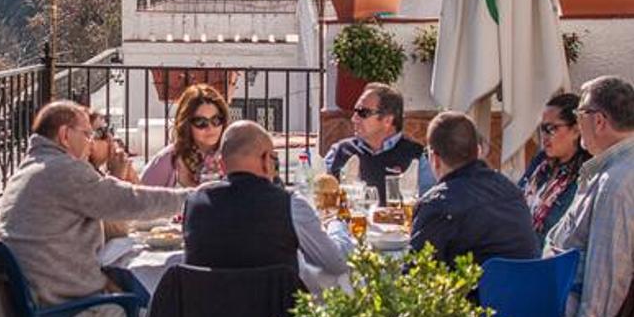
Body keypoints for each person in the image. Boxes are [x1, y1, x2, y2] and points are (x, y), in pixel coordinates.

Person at [0, 101, 190, 317]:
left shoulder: (27, 170)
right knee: (158, 315)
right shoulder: (63, 170)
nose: (90, 142)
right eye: (87, 134)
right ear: (65, 135)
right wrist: (193, 198)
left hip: (30, 313)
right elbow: (130, 201)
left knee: (134, 291)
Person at [183, 120, 354, 291]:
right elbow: (336, 264)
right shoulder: (290, 205)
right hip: (276, 315)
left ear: (221, 165)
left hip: (207, 315)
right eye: (275, 159)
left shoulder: (194, 203)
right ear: (266, 160)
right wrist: (336, 224)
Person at [547, 76, 634, 317]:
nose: (577, 120)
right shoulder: (615, 169)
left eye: (579, 114)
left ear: (599, 121)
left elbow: (608, 270)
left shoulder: (617, 181)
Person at [411, 111, 538, 267]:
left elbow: (415, 275)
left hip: (479, 290)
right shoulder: (511, 190)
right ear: (477, 151)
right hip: (531, 288)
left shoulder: (437, 205)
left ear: (435, 159)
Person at [325, 83, 425, 204]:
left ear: (387, 120)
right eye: (355, 111)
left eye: (363, 113)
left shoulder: (417, 156)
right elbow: (322, 198)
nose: (354, 118)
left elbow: (429, 206)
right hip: (351, 222)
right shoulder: (340, 150)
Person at [518, 93, 591, 245]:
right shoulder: (541, 162)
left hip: (551, 257)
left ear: (576, 130)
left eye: (551, 129)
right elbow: (515, 199)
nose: (543, 136)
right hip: (520, 250)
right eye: (541, 129)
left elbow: (561, 230)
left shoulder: (584, 175)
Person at [141, 83, 229, 187]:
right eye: (201, 122)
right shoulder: (170, 159)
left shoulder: (233, 155)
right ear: (187, 124)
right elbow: (140, 196)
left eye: (216, 120)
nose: (210, 128)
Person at [86, 108, 139, 240]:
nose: (110, 139)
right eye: (101, 133)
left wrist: (129, 175)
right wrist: (117, 178)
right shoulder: (83, 177)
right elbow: (115, 232)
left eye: (109, 130)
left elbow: (139, 208)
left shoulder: (100, 173)